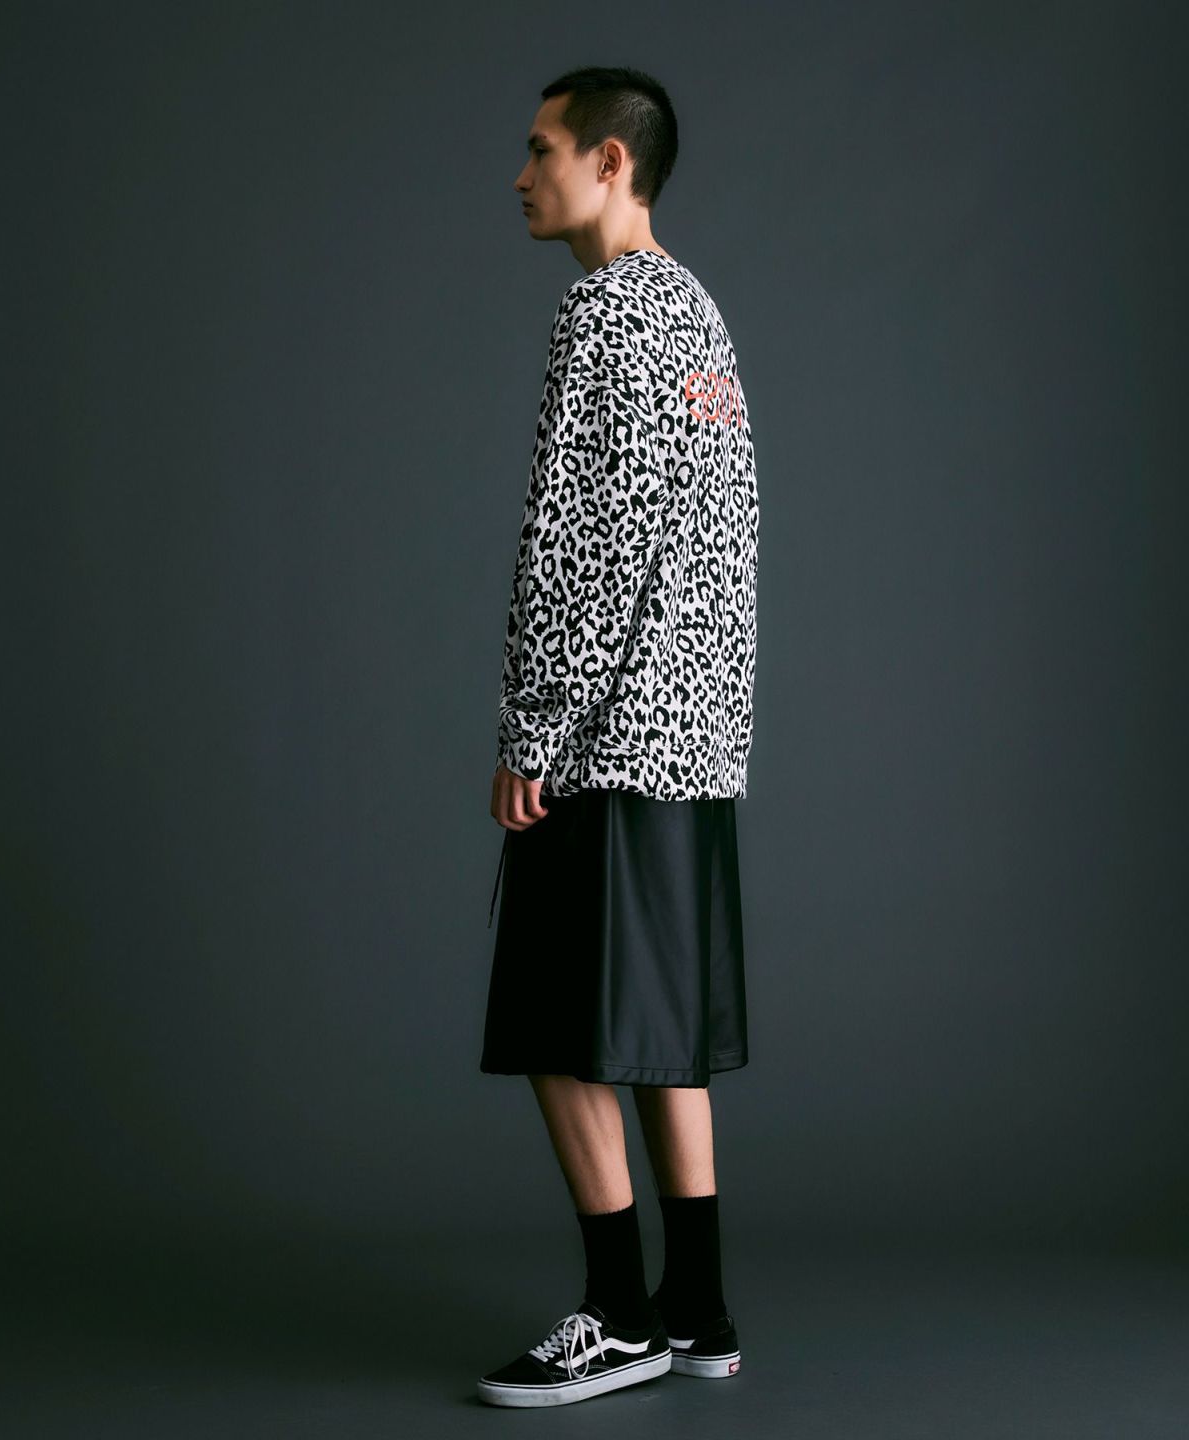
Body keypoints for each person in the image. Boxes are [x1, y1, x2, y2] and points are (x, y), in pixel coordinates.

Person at [476, 65, 759, 1409]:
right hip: (690, 737)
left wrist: (536, 727)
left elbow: (588, 547)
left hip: (601, 731)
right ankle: (699, 1307)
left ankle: (619, 1313)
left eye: (541, 150)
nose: (521, 175)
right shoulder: (695, 311)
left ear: (608, 163)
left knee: (557, 1021)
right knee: (659, 1028)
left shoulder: (602, 317)